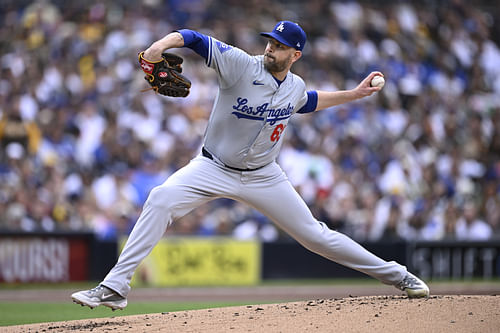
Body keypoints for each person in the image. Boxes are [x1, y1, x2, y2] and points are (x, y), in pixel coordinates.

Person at [71, 21, 429, 310]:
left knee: (316, 236)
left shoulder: (295, 85)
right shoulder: (241, 64)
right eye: (270, 42)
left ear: (295, 54)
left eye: (279, 45)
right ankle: (115, 286)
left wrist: (354, 94)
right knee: (161, 199)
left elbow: (306, 102)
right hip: (213, 167)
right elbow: (194, 38)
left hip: (264, 176)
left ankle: (399, 276)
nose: (271, 48)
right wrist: (157, 48)